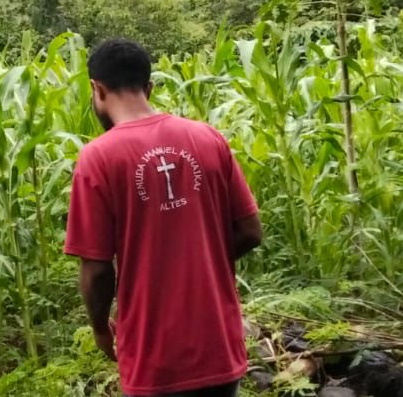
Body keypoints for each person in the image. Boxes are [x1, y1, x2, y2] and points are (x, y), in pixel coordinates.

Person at [64, 39, 263, 397]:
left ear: (97, 89)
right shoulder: (208, 138)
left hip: (153, 358)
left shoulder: (98, 159)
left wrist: (100, 329)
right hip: (217, 346)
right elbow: (250, 231)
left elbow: (96, 270)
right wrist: (200, 264)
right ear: (149, 87)